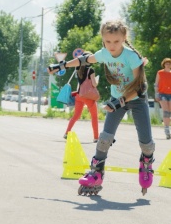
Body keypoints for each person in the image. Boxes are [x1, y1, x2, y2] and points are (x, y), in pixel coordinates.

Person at [48, 20, 155, 196]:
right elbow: (83, 60)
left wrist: (119, 101)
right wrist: (62, 65)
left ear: (123, 39)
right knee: (105, 138)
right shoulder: (104, 53)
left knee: (146, 144)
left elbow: (139, 87)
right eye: (108, 41)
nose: (112, 46)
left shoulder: (131, 57)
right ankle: (96, 172)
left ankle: (146, 163)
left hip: (135, 99)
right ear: (103, 40)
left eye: (116, 41)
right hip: (116, 99)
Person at [63, 51, 99, 143]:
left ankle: (67, 133)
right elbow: (94, 84)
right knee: (94, 116)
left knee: (76, 116)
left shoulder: (78, 69)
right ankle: (96, 137)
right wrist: (96, 81)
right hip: (88, 97)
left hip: (79, 96)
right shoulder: (90, 70)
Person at [154, 57, 171, 139]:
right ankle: (166, 130)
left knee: (170, 112)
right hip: (162, 94)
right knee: (166, 111)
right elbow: (156, 84)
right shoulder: (160, 73)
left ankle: (167, 126)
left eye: (169, 64)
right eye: (166, 64)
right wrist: (156, 94)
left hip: (170, 94)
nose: (168, 65)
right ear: (164, 64)